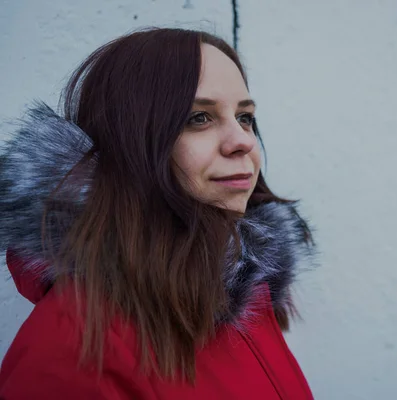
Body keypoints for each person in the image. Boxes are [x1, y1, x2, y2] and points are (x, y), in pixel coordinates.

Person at [0, 27, 316, 399]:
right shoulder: (74, 343)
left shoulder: (242, 295)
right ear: (131, 140)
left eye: (245, 117)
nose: (243, 141)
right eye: (199, 117)